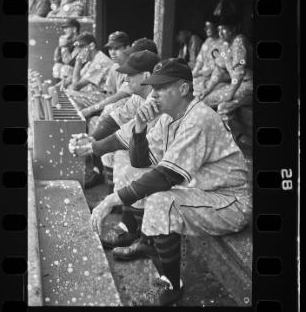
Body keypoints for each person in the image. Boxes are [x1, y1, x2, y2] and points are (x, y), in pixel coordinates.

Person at [87, 58, 252, 306]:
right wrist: (140, 128)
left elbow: (166, 176)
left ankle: (171, 285)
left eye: (163, 87)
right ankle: (153, 249)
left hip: (228, 202)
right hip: (200, 191)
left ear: (184, 89)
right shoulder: (167, 117)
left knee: (162, 200)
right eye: (154, 87)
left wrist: (111, 199)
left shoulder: (199, 118)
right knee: (143, 180)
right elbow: (141, 162)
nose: (155, 94)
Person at [82, 39, 159, 189]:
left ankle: (121, 206)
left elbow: (125, 136)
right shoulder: (139, 96)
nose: (126, 78)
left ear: (146, 76)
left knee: (127, 160)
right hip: (154, 149)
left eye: (131, 74)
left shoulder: (157, 98)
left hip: (173, 161)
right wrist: (92, 138)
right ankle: (117, 202)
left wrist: (91, 146)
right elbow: (115, 119)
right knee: (119, 153)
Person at [197, 0, 253, 117]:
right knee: (205, 100)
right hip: (237, 85)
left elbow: (239, 72)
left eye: (224, 29)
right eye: (219, 29)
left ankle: (231, 135)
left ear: (233, 29)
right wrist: (207, 89)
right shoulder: (226, 44)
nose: (221, 33)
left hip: (248, 85)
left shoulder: (239, 41)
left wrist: (230, 92)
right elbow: (219, 69)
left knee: (223, 107)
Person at [65, 32, 113, 109]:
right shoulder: (91, 61)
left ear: (92, 46)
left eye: (81, 46)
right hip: (99, 95)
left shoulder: (100, 61)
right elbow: (74, 80)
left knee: (68, 94)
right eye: (77, 48)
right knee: (67, 91)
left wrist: (78, 63)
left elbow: (76, 86)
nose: (79, 51)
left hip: (108, 99)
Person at [192, 15, 222, 92]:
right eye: (206, 27)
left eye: (208, 27)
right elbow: (199, 61)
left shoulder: (222, 43)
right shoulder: (207, 41)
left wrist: (201, 73)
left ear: (216, 27)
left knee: (193, 86)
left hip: (213, 76)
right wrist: (193, 74)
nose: (206, 29)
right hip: (202, 75)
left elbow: (218, 67)